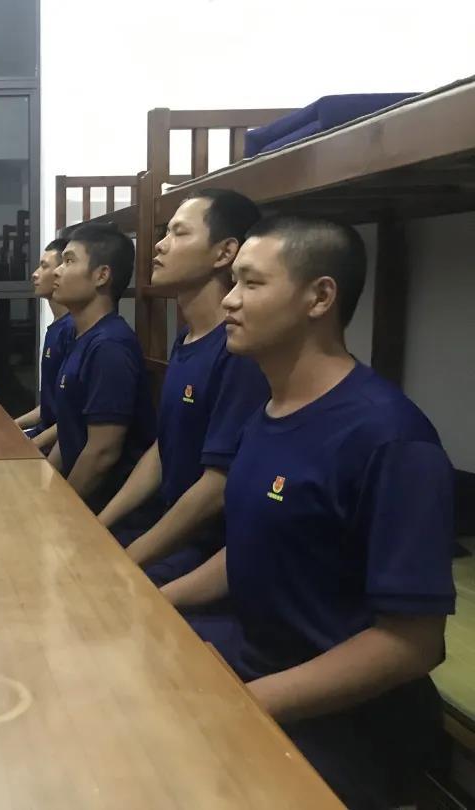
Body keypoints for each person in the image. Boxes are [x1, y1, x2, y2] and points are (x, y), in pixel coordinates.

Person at [162, 216, 455, 808]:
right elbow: (252, 551)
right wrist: (150, 602)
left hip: (345, 721)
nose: (230, 300)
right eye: (233, 282)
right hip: (253, 659)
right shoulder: (268, 411)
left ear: (320, 297)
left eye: (251, 284)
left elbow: (414, 643)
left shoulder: (390, 439)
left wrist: (245, 704)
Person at [97, 190, 269, 583]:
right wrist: (99, 524)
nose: (159, 245)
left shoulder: (238, 353)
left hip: (209, 551)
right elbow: (164, 448)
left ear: (224, 253)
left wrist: (126, 559)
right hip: (169, 530)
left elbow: (216, 487)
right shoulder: (188, 339)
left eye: (179, 233)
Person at [48, 224, 155, 513]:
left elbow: (102, 453)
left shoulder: (109, 347)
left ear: (101, 275)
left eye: (69, 261)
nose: (57, 271)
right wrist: (45, 489)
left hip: (110, 514)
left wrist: (59, 510)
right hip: (83, 502)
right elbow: (70, 432)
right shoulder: (80, 337)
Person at [13, 238, 71, 450]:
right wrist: (12, 425)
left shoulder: (71, 330)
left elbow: (71, 418)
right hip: (43, 434)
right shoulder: (56, 327)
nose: (35, 274)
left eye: (44, 266)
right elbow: (48, 408)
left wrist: (31, 447)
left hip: (57, 446)